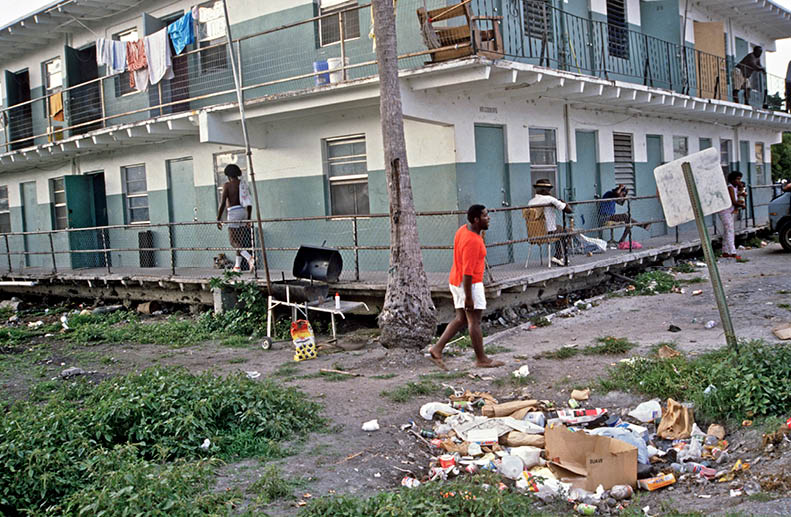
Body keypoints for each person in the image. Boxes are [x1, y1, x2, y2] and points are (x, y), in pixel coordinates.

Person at [428, 205, 504, 370]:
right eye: (485, 215)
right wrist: (469, 296)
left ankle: (437, 349)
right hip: (469, 284)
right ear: (476, 220)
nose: (488, 218)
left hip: (456, 280)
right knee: (474, 321)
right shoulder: (473, 241)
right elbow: (468, 272)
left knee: (461, 318)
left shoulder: (463, 230)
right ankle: (481, 359)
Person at [216, 164, 255, 272]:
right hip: (243, 212)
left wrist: (218, 218)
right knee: (239, 242)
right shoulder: (243, 184)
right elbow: (249, 202)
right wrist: (248, 218)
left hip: (233, 212)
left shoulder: (227, 185)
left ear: (228, 175)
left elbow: (223, 202)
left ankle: (249, 258)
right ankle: (237, 267)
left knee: (233, 241)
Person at [527, 178, 573, 266]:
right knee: (566, 231)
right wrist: (563, 202)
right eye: (549, 189)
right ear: (545, 190)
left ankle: (558, 256)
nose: (550, 191)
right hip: (548, 232)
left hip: (533, 233)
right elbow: (569, 210)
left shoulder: (531, 202)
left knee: (560, 229)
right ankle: (558, 256)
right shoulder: (550, 199)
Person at [719, 171, 746, 259]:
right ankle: (732, 251)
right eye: (737, 179)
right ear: (733, 180)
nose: (739, 181)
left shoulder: (735, 188)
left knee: (727, 231)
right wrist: (741, 205)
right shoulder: (730, 187)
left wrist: (741, 191)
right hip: (725, 211)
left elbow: (738, 198)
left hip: (730, 211)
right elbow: (734, 202)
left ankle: (725, 250)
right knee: (730, 231)